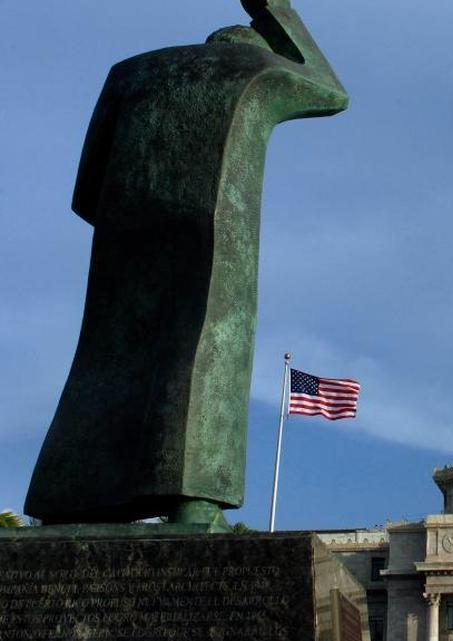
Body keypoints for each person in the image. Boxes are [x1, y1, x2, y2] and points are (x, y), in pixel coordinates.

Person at [25, 0, 348, 529]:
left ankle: (73, 497)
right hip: (218, 224)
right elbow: (333, 92)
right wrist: (276, 10)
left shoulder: (130, 73)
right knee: (207, 347)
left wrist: (129, 221)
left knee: (105, 354)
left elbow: (85, 190)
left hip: (122, 232)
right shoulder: (257, 71)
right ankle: (193, 499)